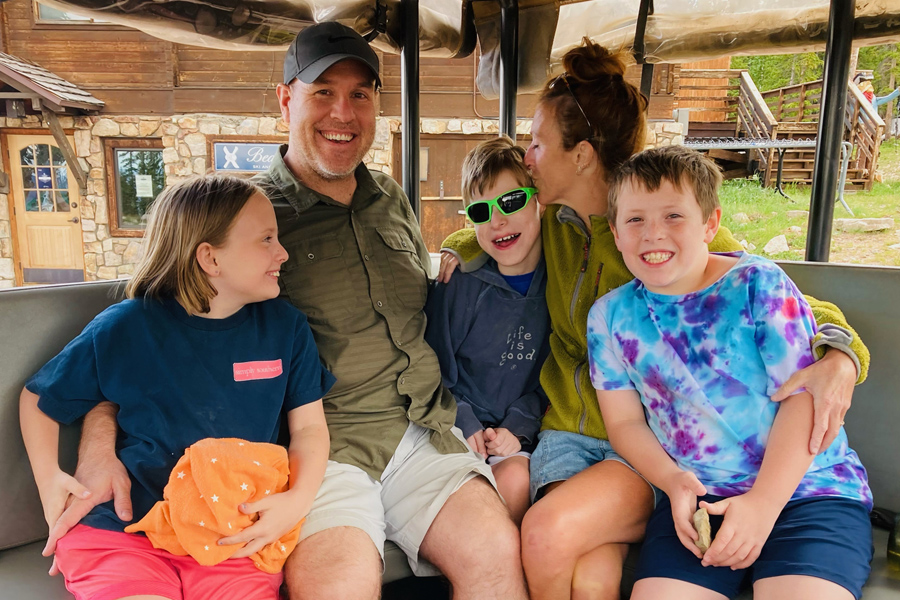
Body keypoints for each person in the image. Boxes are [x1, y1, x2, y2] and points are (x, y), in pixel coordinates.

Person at [47, 22, 528, 600]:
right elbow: (141, 338)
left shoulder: (394, 201)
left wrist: (461, 247)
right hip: (318, 454)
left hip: (425, 431)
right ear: (285, 100)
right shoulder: (244, 222)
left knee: (498, 559)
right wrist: (98, 446)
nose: (343, 114)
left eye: (360, 95)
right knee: (338, 588)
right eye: (322, 92)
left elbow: (443, 270)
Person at [439, 39, 869, 599]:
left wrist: (840, 354)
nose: (527, 157)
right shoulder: (559, 226)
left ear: (582, 155)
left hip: (650, 448)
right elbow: (496, 231)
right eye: (527, 144)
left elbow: (785, 300)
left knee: (549, 536)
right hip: (579, 436)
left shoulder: (659, 237)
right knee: (588, 575)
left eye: (537, 143)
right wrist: (454, 248)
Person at [19, 175, 334, 599]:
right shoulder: (126, 326)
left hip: (232, 535)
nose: (283, 252)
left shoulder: (286, 328)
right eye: (266, 239)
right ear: (210, 258)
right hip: (126, 533)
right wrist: (48, 481)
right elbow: (39, 398)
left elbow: (310, 430)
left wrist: (298, 500)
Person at [588, 145, 873, 600]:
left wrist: (762, 505)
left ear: (711, 224)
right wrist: (673, 480)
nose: (652, 234)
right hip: (701, 496)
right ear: (616, 234)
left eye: (674, 217)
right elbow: (624, 422)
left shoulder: (759, 284)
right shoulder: (609, 317)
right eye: (635, 219)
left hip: (808, 492)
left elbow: (803, 397)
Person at [424, 136, 550, 526]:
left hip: (521, 431)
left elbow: (555, 374)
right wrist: (464, 419)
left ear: (538, 200)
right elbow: (431, 366)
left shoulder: (560, 281)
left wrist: (518, 427)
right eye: (481, 211)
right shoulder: (459, 284)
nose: (498, 221)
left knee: (514, 480)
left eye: (511, 202)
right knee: (472, 492)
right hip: (458, 426)